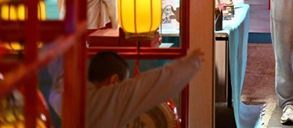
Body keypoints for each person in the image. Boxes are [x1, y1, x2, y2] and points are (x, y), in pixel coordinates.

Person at [49, 49, 204, 127]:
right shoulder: (107, 101)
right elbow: (156, 83)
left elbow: (60, 68)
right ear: (114, 81)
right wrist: (193, 62)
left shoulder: (62, 96)